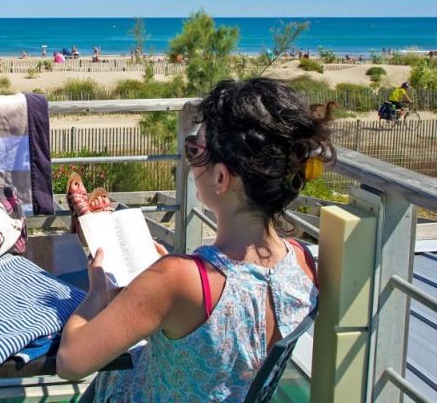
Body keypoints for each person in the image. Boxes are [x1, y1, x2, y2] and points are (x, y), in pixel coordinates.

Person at [57, 77, 331, 402]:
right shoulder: (303, 262)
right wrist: (164, 279)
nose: (190, 161)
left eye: (195, 149)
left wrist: (97, 294)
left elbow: (70, 363)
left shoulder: (176, 280)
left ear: (220, 177)